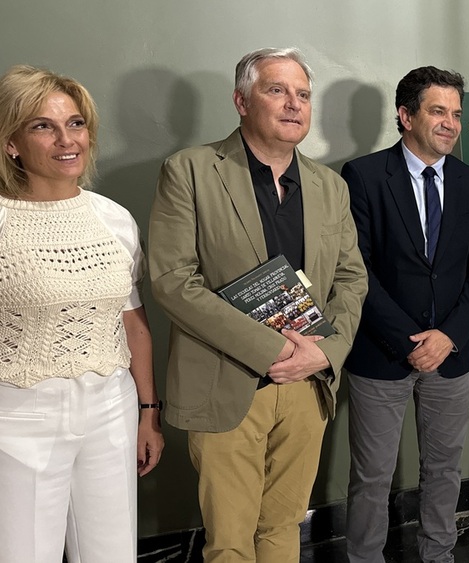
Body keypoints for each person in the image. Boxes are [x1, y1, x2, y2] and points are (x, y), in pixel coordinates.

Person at [148, 47, 367, 562]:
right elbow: (173, 281)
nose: (294, 104)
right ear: (241, 100)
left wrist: (327, 353)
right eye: (277, 90)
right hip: (227, 380)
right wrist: (270, 348)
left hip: (308, 382)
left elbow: (352, 279)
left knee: (285, 527)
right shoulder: (190, 171)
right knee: (230, 540)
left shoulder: (329, 185)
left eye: (303, 95)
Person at [0, 65, 163, 562]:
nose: (67, 139)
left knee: (112, 554)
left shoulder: (113, 217)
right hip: (12, 417)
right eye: (43, 125)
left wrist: (149, 413)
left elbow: (132, 324)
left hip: (111, 408)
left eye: (76, 123)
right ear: (11, 142)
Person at [341, 66, 469, 563]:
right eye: (438, 111)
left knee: (445, 467)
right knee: (372, 476)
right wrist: (412, 341)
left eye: (456, 113)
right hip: (382, 354)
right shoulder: (363, 176)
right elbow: (356, 270)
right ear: (405, 116)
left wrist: (448, 336)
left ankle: (438, 554)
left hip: (450, 355)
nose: (451, 123)